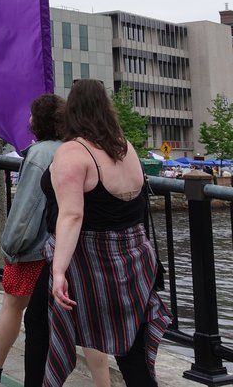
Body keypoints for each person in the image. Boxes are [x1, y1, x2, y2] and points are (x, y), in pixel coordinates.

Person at [25, 80, 169, 386]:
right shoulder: (124, 146)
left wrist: (59, 270)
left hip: (88, 262)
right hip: (133, 259)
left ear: (72, 111)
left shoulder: (73, 152)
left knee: (40, 327)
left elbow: (72, 215)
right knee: (132, 350)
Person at [0, 95, 110, 387]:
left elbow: (27, 207)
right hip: (76, 247)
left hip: (40, 248)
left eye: (31, 115)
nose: (27, 120)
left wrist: (11, 245)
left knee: (15, 305)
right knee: (86, 318)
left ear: (39, 121)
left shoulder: (40, 153)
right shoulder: (79, 149)